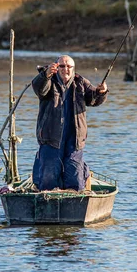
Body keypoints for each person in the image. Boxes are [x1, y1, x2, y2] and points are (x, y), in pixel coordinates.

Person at [31, 55, 109, 191]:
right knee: (48, 178)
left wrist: (101, 92)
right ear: (55, 67)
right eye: (61, 66)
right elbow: (39, 88)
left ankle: (73, 204)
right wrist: (46, 75)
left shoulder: (81, 82)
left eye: (68, 66)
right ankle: (47, 203)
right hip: (51, 137)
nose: (65, 69)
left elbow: (93, 99)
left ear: (73, 69)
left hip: (75, 139)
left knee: (75, 178)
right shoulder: (49, 81)